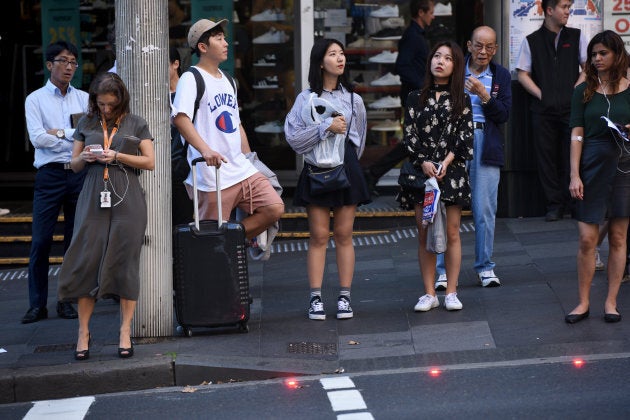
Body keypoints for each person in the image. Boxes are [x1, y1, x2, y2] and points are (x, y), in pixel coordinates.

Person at [58, 72, 155, 359]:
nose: (106, 109)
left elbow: (149, 161)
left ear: (121, 99)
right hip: (92, 195)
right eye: (101, 104)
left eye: (111, 104)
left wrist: (117, 156)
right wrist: (84, 158)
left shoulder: (136, 122)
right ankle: (83, 332)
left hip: (127, 195)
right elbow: (73, 165)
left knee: (125, 262)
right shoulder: (85, 122)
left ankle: (125, 331)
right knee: (86, 259)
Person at [172, 18, 284, 244]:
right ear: (203, 47)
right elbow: (181, 119)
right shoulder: (191, 78)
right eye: (219, 38)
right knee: (210, 239)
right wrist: (206, 151)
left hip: (240, 169)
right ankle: (219, 258)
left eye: (224, 37)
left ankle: (232, 240)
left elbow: (237, 124)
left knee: (274, 208)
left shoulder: (229, 81)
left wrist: (249, 158)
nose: (226, 43)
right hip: (210, 175)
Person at [284, 38, 370, 320]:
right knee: (319, 236)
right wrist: (326, 127)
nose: (340, 58)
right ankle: (315, 299)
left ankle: (345, 297)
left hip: (347, 166)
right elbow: (294, 139)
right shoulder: (305, 99)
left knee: (345, 234)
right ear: (321, 62)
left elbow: (359, 139)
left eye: (342, 53)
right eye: (333, 54)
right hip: (317, 168)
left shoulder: (354, 99)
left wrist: (347, 158)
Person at [398, 40, 473, 312]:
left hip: (450, 173)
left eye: (448, 58)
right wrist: (425, 162)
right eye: (436, 56)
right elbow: (408, 137)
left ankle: (451, 292)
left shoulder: (462, 99)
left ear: (455, 66)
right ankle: (429, 293)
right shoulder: (414, 97)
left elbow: (466, 139)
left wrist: (446, 160)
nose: (440, 61)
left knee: (453, 232)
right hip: (422, 173)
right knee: (423, 232)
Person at [434, 26, 512, 290]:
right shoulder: (455, 70)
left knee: (484, 209)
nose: (484, 52)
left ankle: (485, 267)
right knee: (446, 210)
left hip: (485, 143)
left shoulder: (501, 75)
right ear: (468, 45)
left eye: (490, 47)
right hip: (454, 145)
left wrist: (484, 94)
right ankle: (442, 271)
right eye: (479, 46)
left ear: (496, 49)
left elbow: (503, 115)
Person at [565, 30, 630, 324]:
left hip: (624, 165)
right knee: (587, 239)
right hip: (591, 163)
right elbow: (576, 134)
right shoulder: (583, 90)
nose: (597, 59)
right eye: (593, 54)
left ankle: (611, 302)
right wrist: (574, 174)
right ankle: (583, 302)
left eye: (603, 53)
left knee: (618, 237)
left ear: (617, 54)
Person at [22, 41, 89, 324]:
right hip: (49, 175)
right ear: (49, 64)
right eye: (63, 61)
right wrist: (73, 135)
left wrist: (61, 132)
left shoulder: (85, 99)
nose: (69, 67)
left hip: (78, 173)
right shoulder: (35, 99)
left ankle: (66, 300)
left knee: (74, 241)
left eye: (73, 62)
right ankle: (37, 305)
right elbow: (37, 138)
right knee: (40, 240)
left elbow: (90, 134)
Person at [516, 0, 587, 222]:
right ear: (549, 10)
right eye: (564, 7)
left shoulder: (576, 36)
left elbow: (588, 68)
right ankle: (554, 205)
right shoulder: (532, 41)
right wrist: (542, 95)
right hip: (542, 110)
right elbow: (522, 74)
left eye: (569, 7)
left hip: (572, 109)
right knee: (546, 158)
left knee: (573, 155)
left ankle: (575, 203)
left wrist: (575, 91)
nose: (568, 11)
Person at [363, 0, 435, 195]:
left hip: (419, 97)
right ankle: (373, 174)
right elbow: (402, 67)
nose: (433, 16)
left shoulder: (418, 35)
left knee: (416, 143)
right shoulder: (412, 36)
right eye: (431, 12)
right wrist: (424, 88)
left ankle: (409, 181)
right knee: (412, 143)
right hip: (415, 99)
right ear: (421, 12)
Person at [169, 46, 193, 227]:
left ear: (176, 64)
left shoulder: (189, 93)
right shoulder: (150, 97)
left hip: (185, 166)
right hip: (159, 166)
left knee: (183, 221)